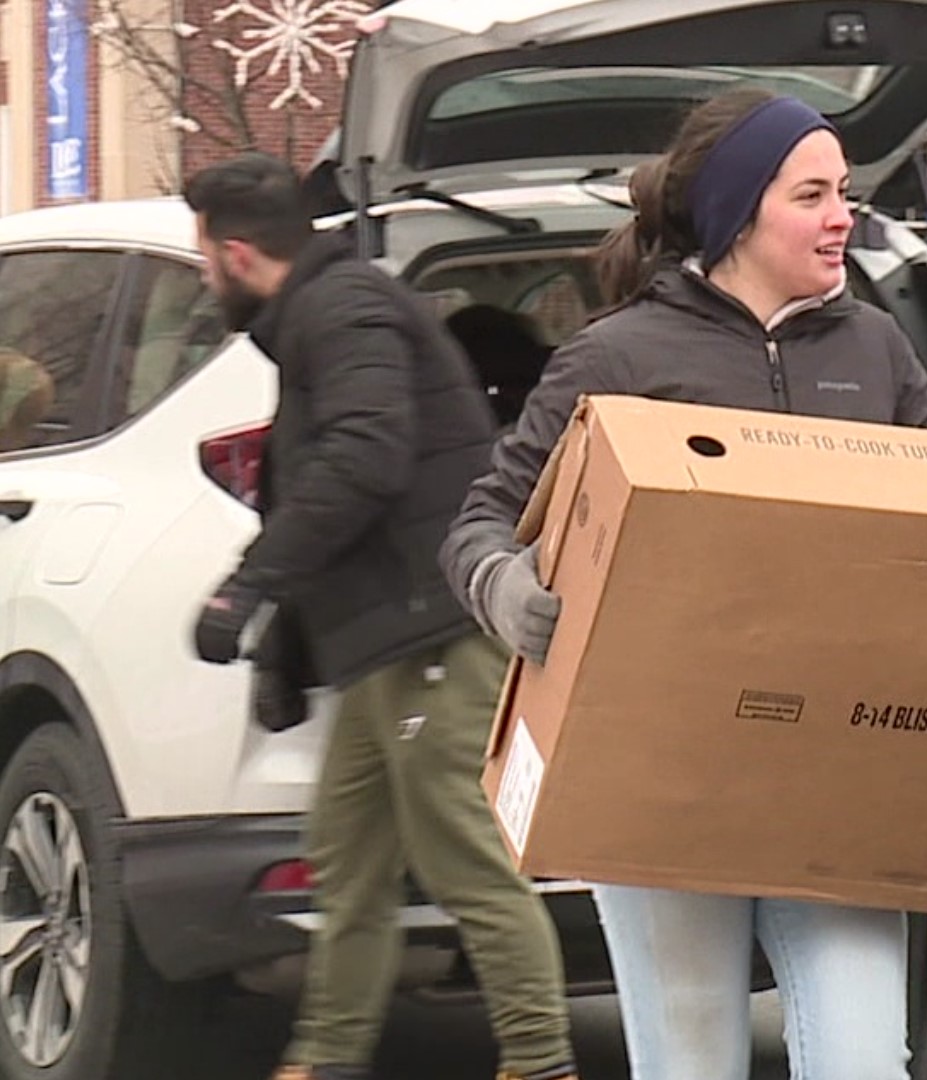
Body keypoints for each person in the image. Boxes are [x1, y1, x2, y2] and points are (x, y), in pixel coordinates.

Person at [440, 89, 927, 1080]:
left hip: (836, 776)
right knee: (691, 1063)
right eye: (813, 194)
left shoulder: (876, 351)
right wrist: (507, 589)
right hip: (660, 774)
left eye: (844, 192)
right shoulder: (620, 356)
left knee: (861, 1062)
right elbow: (481, 521)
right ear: (737, 211)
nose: (843, 214)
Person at [181, 153, 578, 1080]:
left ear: (237, 254)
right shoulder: (324, 310)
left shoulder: (344, 308)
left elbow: (366, 455)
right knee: (347, 858)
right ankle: (323, 1058)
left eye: (205, 261)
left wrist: (251, 584)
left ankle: (541, 1061)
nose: (207, 279)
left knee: (462, 856)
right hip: (383, 643)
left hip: (429, 626)